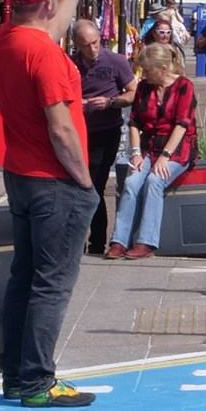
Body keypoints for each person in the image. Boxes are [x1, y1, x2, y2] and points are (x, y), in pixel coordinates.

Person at [0, 0, 101, 409]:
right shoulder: (48, 57)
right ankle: (37, 381)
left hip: (20, 175)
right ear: (47, 0)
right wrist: (86, 182)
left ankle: (16, 376)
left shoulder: (3, 39)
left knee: (24, 279)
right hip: (57, 181)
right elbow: (62, 129)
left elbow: (46, 28)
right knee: (51, 284)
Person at [105, 43, 197, 259]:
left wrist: (165, 157)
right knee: (130, 183)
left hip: (176, 148)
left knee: (154, 181)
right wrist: (135, 152)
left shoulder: (184, 86)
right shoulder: (144, 87)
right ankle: (119, 240)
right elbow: (135, 122)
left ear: (163, 69)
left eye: (148, 70)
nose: (144, 74)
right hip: (149, 147)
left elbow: (182, 124)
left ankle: (147, 242)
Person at [71, 19, 137, 256]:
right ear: (77, 45)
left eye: (96, 43)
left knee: (93, 185)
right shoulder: (70, 64)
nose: (93, 49)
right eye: (86, 45)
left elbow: (132, 93)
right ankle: (81, 240)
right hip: (77, 131)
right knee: (77, 186)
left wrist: (110, 102)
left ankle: (97, 241)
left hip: (105, 131)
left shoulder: (116, 61)